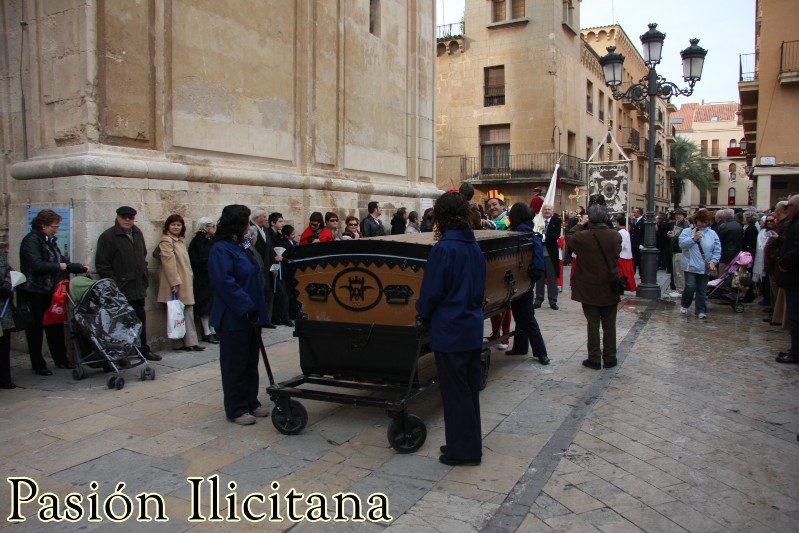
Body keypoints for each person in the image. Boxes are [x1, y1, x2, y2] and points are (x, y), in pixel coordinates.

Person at [416, 192, 486, 467]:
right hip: (470, 326)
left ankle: (464, 451)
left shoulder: (444, 249)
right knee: (467, 392)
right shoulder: (473, 246)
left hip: (450, 328)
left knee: (455, 394)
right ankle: (466, 443)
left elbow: (432, 291)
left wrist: (422, 309)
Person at [208, 204, 270, 425]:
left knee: (250, 361)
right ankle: (236, 408)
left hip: (251, 316)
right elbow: (225, 282)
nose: (249, 226)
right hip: (234, 316)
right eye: (246, 221)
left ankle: (251, 401)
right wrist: (246, 305)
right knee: (235, 363)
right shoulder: (221, 249)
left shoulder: (241, 246)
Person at [19, 209, 90, 375]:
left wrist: (79, 267)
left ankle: (61, 359)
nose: (57, 229)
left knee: (55, 326)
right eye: (54, 226)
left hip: (51, 290)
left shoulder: (50, 240)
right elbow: (37, 265)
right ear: (43, 226)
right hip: (34, 290)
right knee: (35, 329)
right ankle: (38, 364)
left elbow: (62, 261)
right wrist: (59, 266)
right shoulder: (31, 241)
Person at [96, 206, 161, 361]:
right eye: (124, 217)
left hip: (137, 286)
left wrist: (144, 275)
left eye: (130, 217)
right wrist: (114, 285)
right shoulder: (108, 236)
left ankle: (142, 350)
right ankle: (121, 354)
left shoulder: (137, 233)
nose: (127, 220)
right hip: (121, 288)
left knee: (140, 320)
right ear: (118, 217)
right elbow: (103, 264)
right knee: (120, 323)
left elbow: (142, 255)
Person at [566, 204, 622, 370]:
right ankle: (610, 357)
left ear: (589, 218)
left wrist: (580, 223)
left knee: (593, 324)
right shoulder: (615, 236)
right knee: (609, 325)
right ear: (606, 218)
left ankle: (594, 358)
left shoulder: (582, 236)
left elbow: (569, 237)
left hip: (589, 287)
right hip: (610, 285)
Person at [505, 203, 551, 365]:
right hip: (525, 278)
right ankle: (520, 346)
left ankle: (541, 352)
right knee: (520, 314)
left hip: (522, 278)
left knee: (527, 316)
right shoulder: (527, 229)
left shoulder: (521, 231)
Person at [158, 214, 205, 352]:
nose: (176, 227)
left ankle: (189, 342)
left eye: (179, 225)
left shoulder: (179, 241)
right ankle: (181, 343)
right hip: (177, 283)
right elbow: (169, 263)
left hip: (185, 280)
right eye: (173, 224)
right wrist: (175, 282)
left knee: (186, 311)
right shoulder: (167, 241)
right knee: (177, 312)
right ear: (168, 226)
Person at [678, 208, 721, 319]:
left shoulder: (712, 233)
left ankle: (700, 310)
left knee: (702, 289)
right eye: (701, 221)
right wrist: (693, 238)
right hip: (690, 265)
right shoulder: (687, 231)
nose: (704, 224)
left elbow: (717, 249)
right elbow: (682, 244)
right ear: (696, 220)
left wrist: (714, 261)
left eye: (706, 222)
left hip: (704, 266)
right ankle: (685, 304)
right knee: (690, 286)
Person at [775, 195, 799, 363]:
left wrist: (784, 262)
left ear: (795, 207)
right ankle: (795, 349)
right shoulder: (794, 223)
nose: (786, 209)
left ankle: (796, 352)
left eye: (788, 205)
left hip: (795, 277)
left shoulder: (796, 224)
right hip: (792, 278)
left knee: (796, 317)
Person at [188, 217, 218, 344]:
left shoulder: (210, 240)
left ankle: (213, 330)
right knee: (205, 305)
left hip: (211, 277)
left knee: (212, 304)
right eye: (212, 226)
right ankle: (206, 332)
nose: (213, 229)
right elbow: (200, 260)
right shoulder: (198, 242)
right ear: (205, 227)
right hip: (203, 278)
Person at [249, 208, 276, 329]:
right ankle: (259, 319)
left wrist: (274, 266)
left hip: (268, 266)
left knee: (269, 292)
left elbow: (270, 249)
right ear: (257, 217)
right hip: (258, 266)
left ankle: (267, 319)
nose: (266, 218)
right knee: (260, 293)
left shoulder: (265, 230)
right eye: (264, 216)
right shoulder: (251, 229)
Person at [535, 204, 561, 310]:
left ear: (552, 211)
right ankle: (538, 300)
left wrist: (543, 237)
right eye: (545, 209)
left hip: (551, 253)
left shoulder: (556, 221)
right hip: (539, 252)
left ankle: (553, 300)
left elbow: (556, 235)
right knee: (539, 278)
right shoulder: (537, 220)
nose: (547, 211)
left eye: (549, 209)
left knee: (552, 278)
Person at [0, 251, 19, 388]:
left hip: (2, 306)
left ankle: (5, 379)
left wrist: (6, 285)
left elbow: (9, 271)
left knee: (3, 344)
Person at [667, 208, 690, 298]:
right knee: (676, 271)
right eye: (677, 214)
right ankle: (678, 288)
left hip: (679, 250)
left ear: (684, 215)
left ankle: (681, 290)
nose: (678, 216)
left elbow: (683, 238)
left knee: (679, 271)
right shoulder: (677, 224)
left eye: (680, 214)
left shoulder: (684, 225)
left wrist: (674, 236)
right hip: (675, 249)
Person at [612, 215, 637, 292]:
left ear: (618, 222)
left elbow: (621, 245)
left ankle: (621, 288)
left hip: (622, 256)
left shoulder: (621, 232)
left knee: (622, 274)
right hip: (626, 255)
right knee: (626, 273)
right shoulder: (625, 231)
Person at [716, 208, 743, 272]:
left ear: (724, 216)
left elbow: (719, 241)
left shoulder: (723, 226)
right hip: (736, 254)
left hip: (725, 255)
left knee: (723, 276)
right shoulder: (739, 225)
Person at [630, 208, 645, 274]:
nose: (634, 214)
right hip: (633, 243)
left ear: (638, 213)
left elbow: (644, 233)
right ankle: (633, 272)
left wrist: (642, 243)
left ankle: (641, 274)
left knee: (640, 260)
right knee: (633, 259)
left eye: (635, 212)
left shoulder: (643, 221)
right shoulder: (634, 220)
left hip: (639, 243)